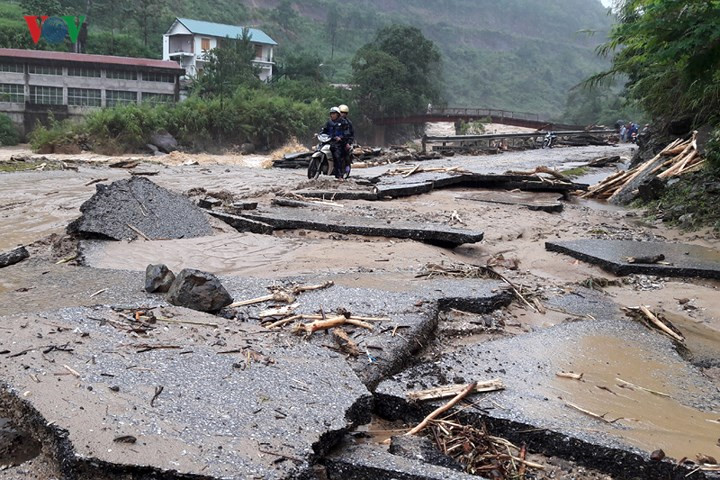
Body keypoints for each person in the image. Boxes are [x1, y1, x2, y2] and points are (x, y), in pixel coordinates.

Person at [321, 106, 344, 178]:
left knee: (337, 156)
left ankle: (339, 174)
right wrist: (319, 134)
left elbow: (346, 133)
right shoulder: (329, 122)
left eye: (334, 114)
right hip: (328, 141)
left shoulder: (343, 122)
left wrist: (340, 137)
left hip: (338, 143)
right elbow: (324, 130)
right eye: (331, 114)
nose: (332, 115)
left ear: (338, 114)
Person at [338, 104, 354, 177]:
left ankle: (346, 168)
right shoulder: (333, 121)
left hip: (344, 141)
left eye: (344, 113)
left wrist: (348, 142)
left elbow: (351, 134)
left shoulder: (348, 123)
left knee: (344, 154)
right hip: (334, 141)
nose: (342, 114)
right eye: (341, 112)